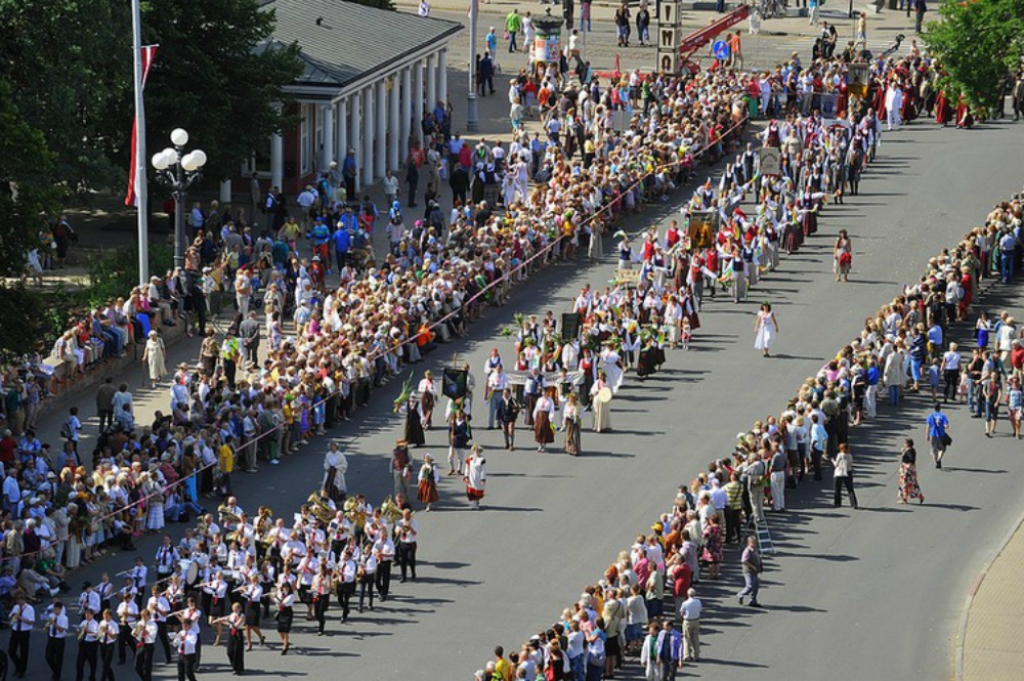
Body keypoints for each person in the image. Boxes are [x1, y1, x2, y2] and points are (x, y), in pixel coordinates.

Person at [45, 600, 69, 681]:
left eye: (57, 609)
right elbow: (49, 625)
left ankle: (57, 674)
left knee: (58, 658)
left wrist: (54, 624)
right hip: (51, 638)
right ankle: (56, 671)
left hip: (59, 639)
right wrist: (48, 625)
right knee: (48, 657)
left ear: (60, 609)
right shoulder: (52, 615)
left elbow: (61, 629)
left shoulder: (64, 618)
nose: (55, 611)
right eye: (54, 609)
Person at [736, 535, 763, 607]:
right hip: (748, 571)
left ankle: (753, 601)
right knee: (750, 586)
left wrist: (760, 567)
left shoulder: (755, 550)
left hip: (755, 571)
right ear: (748, 543)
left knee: (756, 586)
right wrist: (752, 566)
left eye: (755, 542)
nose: (754, 544)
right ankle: (740, 594)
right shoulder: (747, 551)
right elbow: (744, 561)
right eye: (752, 543)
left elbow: (758, 559)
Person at [897, 438, 925, 505]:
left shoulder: (910, 451)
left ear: (908, 444)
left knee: (906, 484)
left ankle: (906, 498)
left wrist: (907, 466)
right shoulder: (909, 450)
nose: (904, 444)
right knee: (907, 484)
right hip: (906, 470)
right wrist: (903, 452)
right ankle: (906, 498)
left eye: (905, 443)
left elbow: (911, 460)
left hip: (907, 471)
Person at [831, 443, 859, 509]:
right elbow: (850, 464)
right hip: (848, 472)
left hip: (839, 473)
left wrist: (832, 460)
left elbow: (836, 464)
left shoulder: (840, 455)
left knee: (837, 488)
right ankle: (854, 503)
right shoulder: (850, 455)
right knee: (850, 489)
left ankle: (837, 502)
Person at [173, 616, 199, 681]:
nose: (184, 627)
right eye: (183, 625)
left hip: (189, 655)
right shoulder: (181, 632)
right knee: (180, 672)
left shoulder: (193, 634)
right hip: (181, 654)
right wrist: (176, 640)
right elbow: (175, 644)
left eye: (185, 626)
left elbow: (191, 644)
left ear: (189, 626)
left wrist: (184, 640)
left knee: (188, 672)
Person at [679, 588, 702, 662]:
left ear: (688, 594)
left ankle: (687, 655)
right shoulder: (698, 601)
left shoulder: (685, 603)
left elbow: (682, 612)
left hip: (688, 621)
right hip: (696, 620)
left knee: (686, 638)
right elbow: (700, 610)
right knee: (695, 638)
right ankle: (696, 655)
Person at [926, 401, 951, 468]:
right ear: (940, 408)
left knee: (934, 449)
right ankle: (939, 459)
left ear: (933, 408)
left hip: (933, 434)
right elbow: (946, 426)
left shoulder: (930, 416)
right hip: (941, 434)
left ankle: (935, 462)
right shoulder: (943, 416)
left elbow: (928, 426)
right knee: (943, 448)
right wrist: (943, 426)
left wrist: (927, 435)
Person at [463, 445, 487, 509]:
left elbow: (483, 470)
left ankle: (476, 502)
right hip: (471, 477)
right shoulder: (470, 459)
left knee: (477, 490)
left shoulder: (482, 460)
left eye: (478, 451)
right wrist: (466, 476)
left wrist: (482, 478)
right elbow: (467, 468)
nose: (476, 452)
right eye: (475, 451)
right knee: (471, 490)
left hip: (478, 477)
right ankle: (473, 502)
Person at [533, 388, 556, 453]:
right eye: (543, 392)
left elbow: (552, 409)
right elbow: (536, 408)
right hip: (539, 416)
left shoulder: (550, 400)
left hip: (546, 416)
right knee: (539, 430)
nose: (545, 394)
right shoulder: (539, 399)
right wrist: (534, 417)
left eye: (546, 392)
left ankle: (544, 445)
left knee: (545, 430)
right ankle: (540, 444)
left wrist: (551, 418)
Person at [563, 392, 582, 456]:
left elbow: (577, 413)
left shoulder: (577, 405)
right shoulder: (567, 404)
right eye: (570, 398)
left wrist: (575, 417)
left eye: (572, 398)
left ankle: (575, 449)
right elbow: (565, 412)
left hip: (574, 422)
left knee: (573, 436)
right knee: (568, 434)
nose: (570, 399)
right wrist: (566, 417)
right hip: (568, 421)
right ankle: (569, 448)